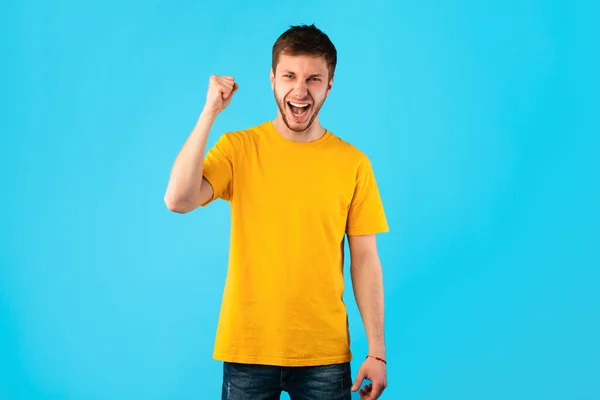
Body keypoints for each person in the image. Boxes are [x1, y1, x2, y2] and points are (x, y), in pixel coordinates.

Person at [164, 24, 389, 400]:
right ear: (272, 80)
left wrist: (377, 352)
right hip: (248, 348)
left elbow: (365, 260)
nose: (300, 91)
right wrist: (209, 113)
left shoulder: (353, 164)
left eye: (313, 79)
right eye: (289, 76)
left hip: (325, 354)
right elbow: (178, 199)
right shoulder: (238, 148)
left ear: (329, 85)